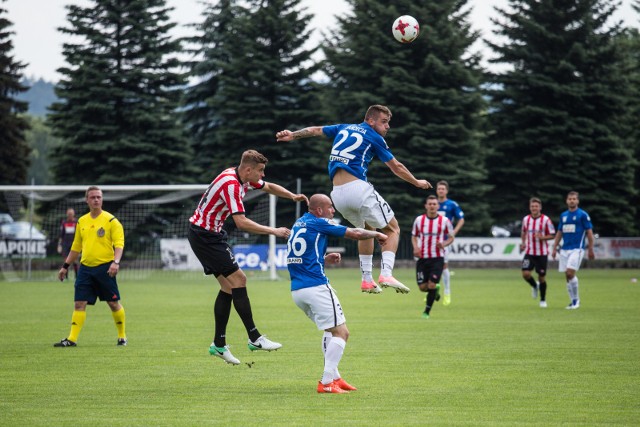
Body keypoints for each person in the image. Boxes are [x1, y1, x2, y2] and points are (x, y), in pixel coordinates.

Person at [276, 104, 432, 294]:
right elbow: (396, 166)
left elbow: (316, 130)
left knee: (367, 229)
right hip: (358, 189)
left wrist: (293, 135)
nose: (387, 127)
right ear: (370, 120)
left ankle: (367, 279)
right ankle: (386, 274)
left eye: (388, 123)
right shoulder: (374, 137)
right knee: (393, 229)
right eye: (384, 122)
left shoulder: (344, 127)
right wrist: (416, 182)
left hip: (337, 195)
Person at [188, 149, 309, 365]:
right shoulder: (232, 184)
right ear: (248, 169)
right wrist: (275, 231)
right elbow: (241, 222)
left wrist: (291, 195)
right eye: (260, 171)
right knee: (239, 280)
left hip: (208, 234)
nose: (262, 175)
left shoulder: (242, 177)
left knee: (228, 286)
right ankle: (254, 337)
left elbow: (269, 187)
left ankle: (218, 344)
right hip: (205, 236)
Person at [286, 194, 387, 393]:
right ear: (319, 210)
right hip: (316, 287)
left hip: (298, 291)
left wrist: (323, 258)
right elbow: (356, 233)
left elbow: (299, 258)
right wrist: (377, 235)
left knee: (330, 331)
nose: (333, 211)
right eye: (330, 207)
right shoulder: (320, 222)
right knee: (342, 333)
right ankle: (325, 382)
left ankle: (335, 377)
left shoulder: (299, 224)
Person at [54, 186, 127, 347]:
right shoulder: (82, 221)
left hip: (105, 268)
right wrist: (65, 266)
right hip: (85, 269)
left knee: (113, 303)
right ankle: (72, 339)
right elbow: (76, 247)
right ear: (87, 200)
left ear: (102, 199)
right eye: (93, 197)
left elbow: (119, 244)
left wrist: (116, 262)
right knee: (79, 303)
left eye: (99, 197)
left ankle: (122, 336)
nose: (96, 200)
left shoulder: (111, 221)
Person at [411, 195, 454, 319]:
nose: (432, 206)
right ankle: (436, 289)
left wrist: (444, 244)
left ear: (438, 206)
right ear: (426, 206)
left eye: (434, 204)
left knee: (431, 285)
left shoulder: (445, 221)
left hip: (438, 258)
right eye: (430, 204)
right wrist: (415, 247)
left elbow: (451, 237)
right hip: (422, 258)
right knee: (422, 287)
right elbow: (414, 236)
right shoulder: (419, 220)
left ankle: (426, 312)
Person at [551, 191, 595, 309]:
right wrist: (554, 248)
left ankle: (576, 300)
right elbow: (559, 232)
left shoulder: (582, 215)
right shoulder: (563, 215)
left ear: (578, 201)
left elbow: (589, 233)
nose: (572, 201)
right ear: (566, 201)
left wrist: (590, 249)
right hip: (565, 249)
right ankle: (572, 301)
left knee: (570, 273)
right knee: (567, 276)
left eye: (574, 199)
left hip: (577, 249)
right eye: (570, 199)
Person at [520, 197, 556, 308]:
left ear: (540, 207)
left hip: (542, 253)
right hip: (529, 252)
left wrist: (542, 238)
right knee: (525, 274)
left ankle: (543, 300)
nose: (534, 208)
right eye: (532, 206)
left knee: (541, 277)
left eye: (536, 206)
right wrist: (523, 242)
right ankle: (535, 286)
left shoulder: (546, 220)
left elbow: (552, 235)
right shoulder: (526, 219)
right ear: (529, 207)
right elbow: (523, 231)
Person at [435, 180, 464, 306]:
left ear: (446, 191)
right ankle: (431, 291)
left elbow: (461, 219)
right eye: (439, 189)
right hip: (432, 241)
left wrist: (453, 232)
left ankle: (447, 292)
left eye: (443, 189)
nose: (441, 191)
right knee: (431, 264)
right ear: (437, 190)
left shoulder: (452, 204)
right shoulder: (433, 204)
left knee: (444, 265)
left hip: (445, 240)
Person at [57, 207, 78, 279]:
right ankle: (66, 277)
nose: (70, 215)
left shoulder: (76, 223)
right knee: (66, 261)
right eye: (69, 214)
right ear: (67, 214)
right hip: (65, 244)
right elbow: (61, 235)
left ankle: (77, 276)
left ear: (74, 214)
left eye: (71, 214)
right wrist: (59, 245)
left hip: (74, 244)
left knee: (75, 261)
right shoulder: (64, 223)